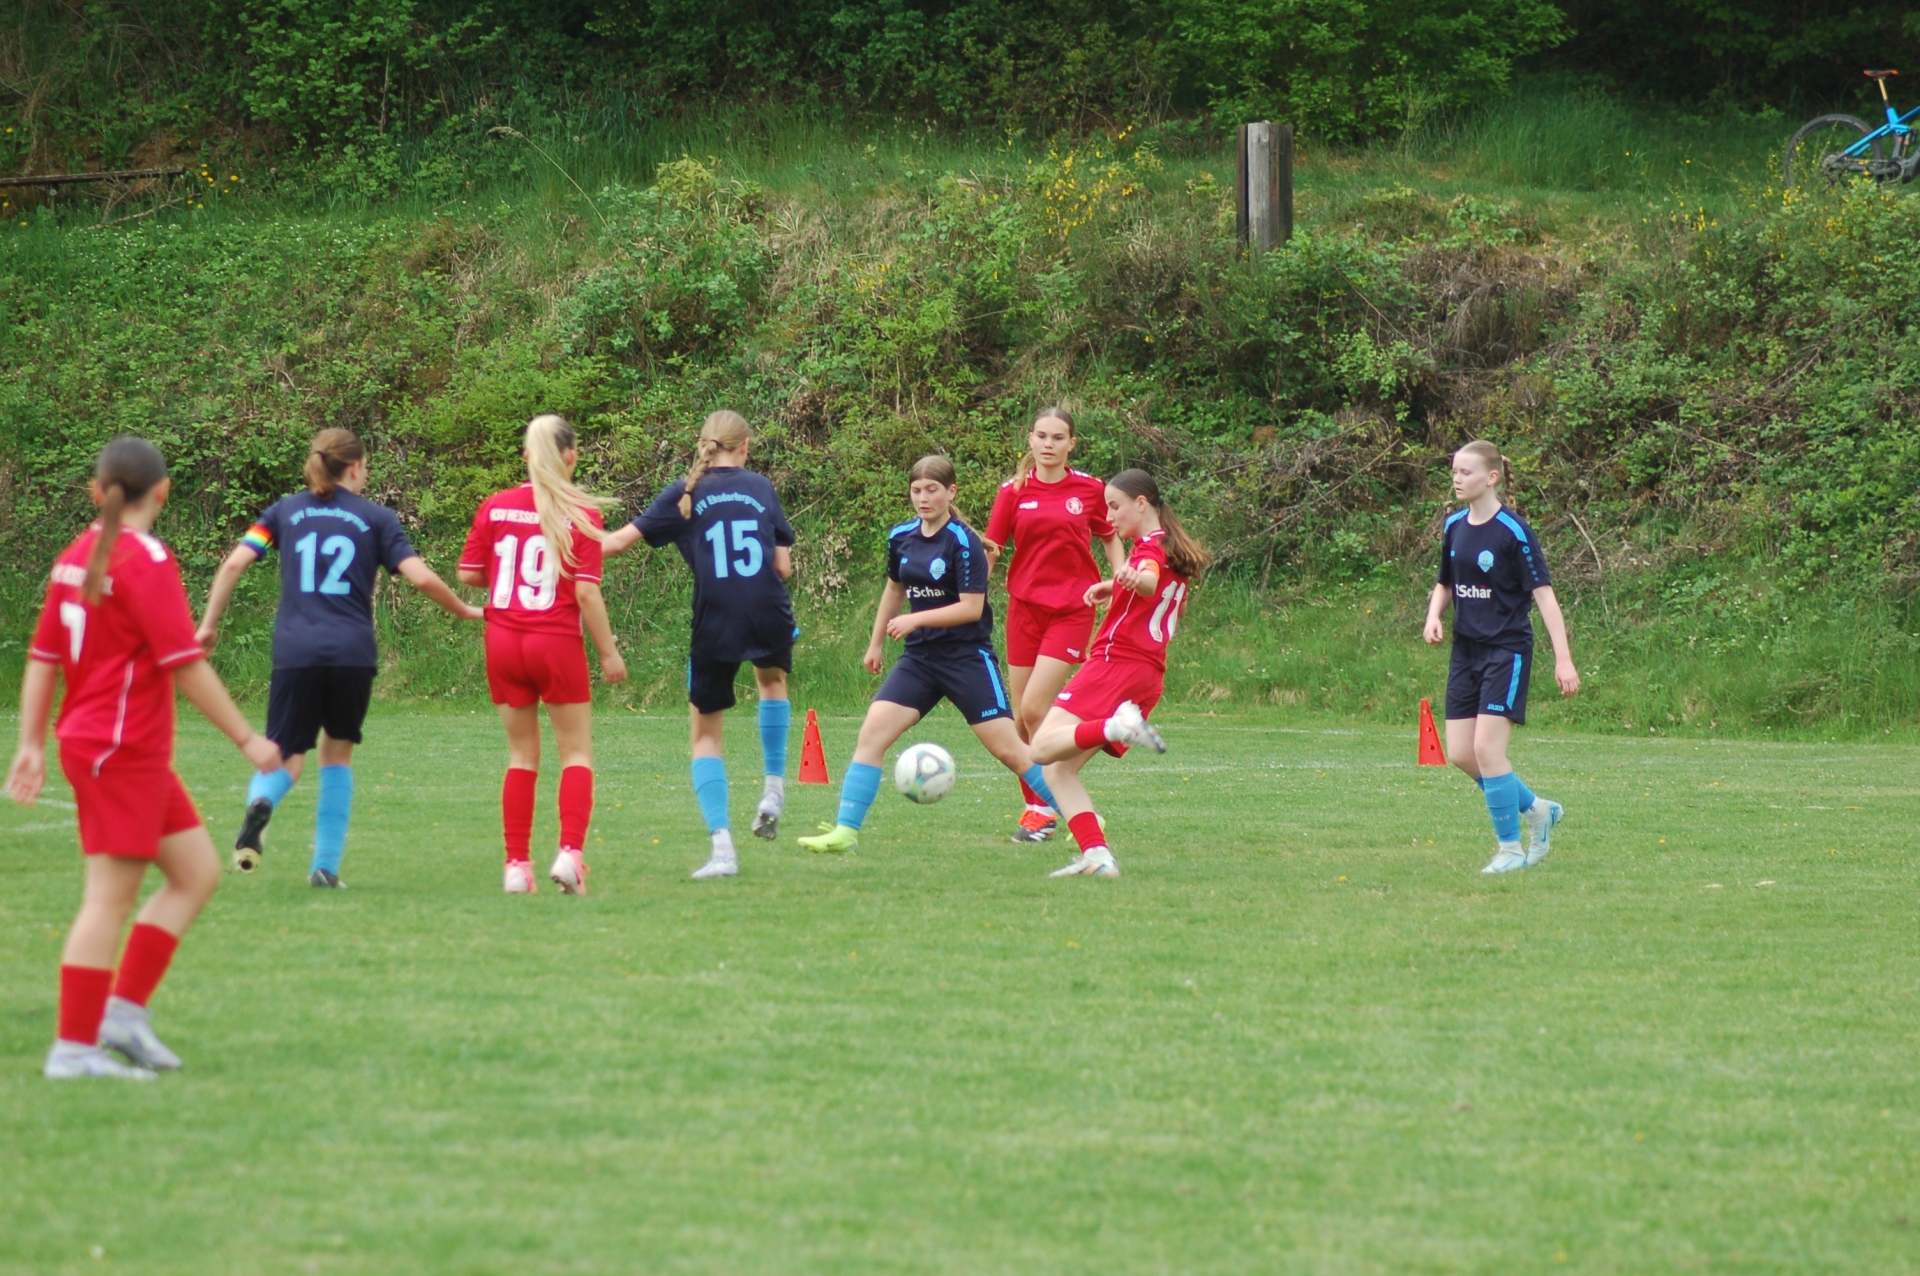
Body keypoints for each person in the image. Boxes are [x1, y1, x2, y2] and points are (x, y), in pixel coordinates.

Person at [8, 437, 284, 1079]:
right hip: (119, 749)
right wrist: (247, 739)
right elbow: (184, 663)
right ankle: (74, 1048)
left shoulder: (75, 556)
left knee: (196, 872)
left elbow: (43, 657)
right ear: (162, 492)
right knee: (108, 899)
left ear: (97, 491)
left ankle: (123, 1016)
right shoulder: (146, 558)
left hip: (112, 746)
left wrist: (31, 743)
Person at [196, 428, 482, 887]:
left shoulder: (284, 511)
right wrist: (463, 609)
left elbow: (234, 563)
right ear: (354, 467)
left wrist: (209, 625)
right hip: (352, 652)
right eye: (366, 467)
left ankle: (261, 802)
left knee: (286, 756)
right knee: (337, 754)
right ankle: (325, 869)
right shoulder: (377, 518)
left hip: (296, 651)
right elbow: (421, 578)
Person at [798, 456, 1059, 855]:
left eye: (932, 490)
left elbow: (971, 607)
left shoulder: (963, 542)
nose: (923, 498)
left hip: (966, 658)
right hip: (919, 660)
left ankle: (1083, 818)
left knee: (1011, 751)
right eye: (916, 490)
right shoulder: (901, 536)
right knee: (872, 735)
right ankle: (845, 832)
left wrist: (916, 620)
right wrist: (875, 643)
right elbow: (894, 589)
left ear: (951, 492)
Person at [602, 410, 796, 879]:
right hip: (768, 610)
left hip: (716, 618)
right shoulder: (760, 487)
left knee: (706, 736)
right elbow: (783, 567)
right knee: (771, 683)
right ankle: (773, 789)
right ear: (745, 446)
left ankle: (723, 850)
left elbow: (616, 544)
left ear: (702, 444)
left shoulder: (685, 491)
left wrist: (562, 539)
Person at [456, 414, 626, 895]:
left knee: (521, 756)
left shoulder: (496, 506)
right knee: (576, 752)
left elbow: (468, 573)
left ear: (527, 456)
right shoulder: (581, 514)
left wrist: (505, 578)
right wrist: (609, 652)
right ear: (571, 457)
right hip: (554, 641)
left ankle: (516, 866)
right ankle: (570, 855)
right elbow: (587, 594)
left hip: (503, 640)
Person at [1031, 469, 1209, 879]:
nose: (1109, 517)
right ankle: (1097, 856)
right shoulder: (1172, 547)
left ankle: (1116, 726)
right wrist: (1116, 586)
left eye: (1114, 506)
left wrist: (1132, 579)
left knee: (1041, 749)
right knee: (1059, 770)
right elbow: (1166, 596)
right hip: (1148, 674)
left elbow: (1148, 580)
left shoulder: (1149, 547)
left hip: (1117, 663)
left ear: (1141, 504)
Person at [1422, 440, 1579, 874]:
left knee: (1487, 749)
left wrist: (1563, 659)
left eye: (1466, 472)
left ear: (1491, 478)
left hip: (1506, 651)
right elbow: (1445, 583)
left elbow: (1544, 597)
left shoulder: (1514, 531)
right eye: (1454, 471)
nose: (1457, 479)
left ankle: (1510, 850)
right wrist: (1434, 616)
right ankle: (1538, 810)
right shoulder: (1454, 525)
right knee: (1461, 753)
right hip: (1465, 650)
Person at [982, 407, 1125, 844]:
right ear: (1030, 439)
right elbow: (992, 549)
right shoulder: (1012, 491)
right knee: (1021, 719)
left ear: (1071, 444)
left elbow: (1110, 534)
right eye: (1041, 436)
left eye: (1058, 437)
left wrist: (1119, 579)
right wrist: (971, 597)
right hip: (1024, 609)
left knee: (1033, 709)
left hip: (1072, 609)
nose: (1048, 444)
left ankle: (1066, 786)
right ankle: (1039, 810)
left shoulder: (1090, 489)